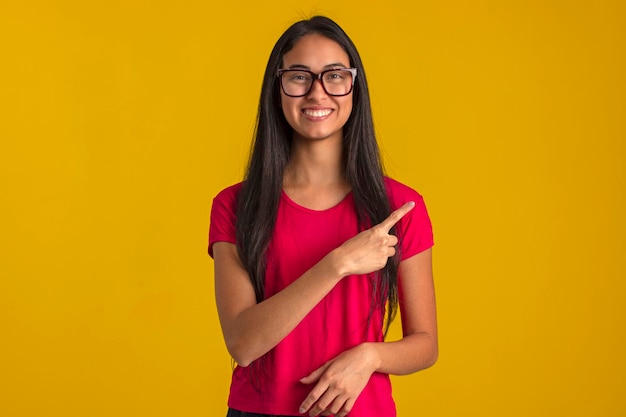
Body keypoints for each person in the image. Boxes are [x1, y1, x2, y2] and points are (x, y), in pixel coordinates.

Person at [208, 16, 437, 417]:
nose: (317, 93)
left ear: (354, 87)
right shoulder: (235, 206)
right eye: (299, 77)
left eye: (334, 76)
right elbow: (243, 344)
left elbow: (425, 344)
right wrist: (338, 264)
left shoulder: (398, 206)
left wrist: (370, 357)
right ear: (276, 88)